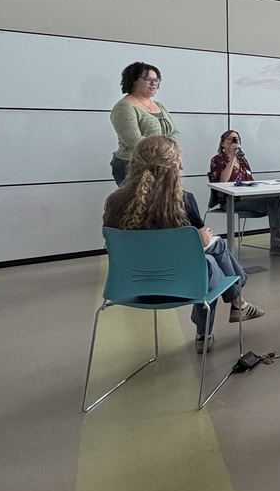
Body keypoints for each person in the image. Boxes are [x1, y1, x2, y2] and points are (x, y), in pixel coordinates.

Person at [104, 136, 264, 354]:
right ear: (174, 165)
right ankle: (219, 319)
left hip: (130, 286)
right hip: (182, 285)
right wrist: (204, 239)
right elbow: (201, 240)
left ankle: (238, 304)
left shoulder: (115, 201)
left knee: (211, 254)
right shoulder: (182, 200)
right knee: (209, 262)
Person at [210, 130, 280, 256]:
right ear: (223, 143)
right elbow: (222, 181)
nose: (234, 142)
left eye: (237, 139)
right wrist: (232, 157)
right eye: (230, 139)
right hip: (231, 201)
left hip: (247, 198)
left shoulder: (243, 160)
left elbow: (250, 179)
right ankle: (278, 240)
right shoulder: (217, 160)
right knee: (272, 203)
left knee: (275, 196)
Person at [109, 62, 180, 185]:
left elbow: (174, 132)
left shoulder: (159, 105)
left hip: (162, 164)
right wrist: (164, 152)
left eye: (156, 80)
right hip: (133, 166)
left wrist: (167, 151)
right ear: (134, 80)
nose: (154, 84)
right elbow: (135, 141)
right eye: (148, 79)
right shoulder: (124, 107)